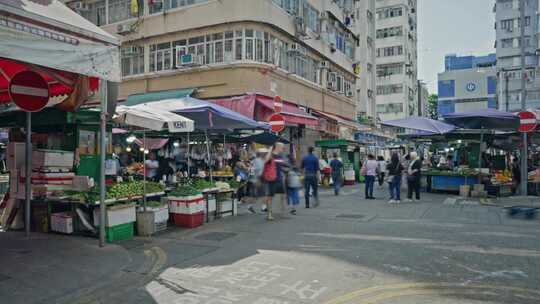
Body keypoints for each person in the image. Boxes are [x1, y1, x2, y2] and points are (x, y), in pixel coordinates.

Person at [262, 143, 287, 221]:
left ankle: (282, 212)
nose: (283, 149)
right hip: (271, 179)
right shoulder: (271, 155)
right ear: (277, 147)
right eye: (282, 147)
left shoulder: (280, 156)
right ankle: (269, 214)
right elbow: (265, 160)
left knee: (283, 196)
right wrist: (270, 149)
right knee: (270, 197)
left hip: (279, 179)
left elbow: (281, 166)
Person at [247, 148, 266, 214]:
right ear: (261, 154)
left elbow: (251, 170)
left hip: (256, 180)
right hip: (257, 180)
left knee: (257, 195)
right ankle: (262, 208)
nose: (265, 154)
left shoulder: (257, 160)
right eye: (264, 153)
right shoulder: (258, 161)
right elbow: (255, 171)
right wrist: (257, 179)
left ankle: (251, 207)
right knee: (259, 195)